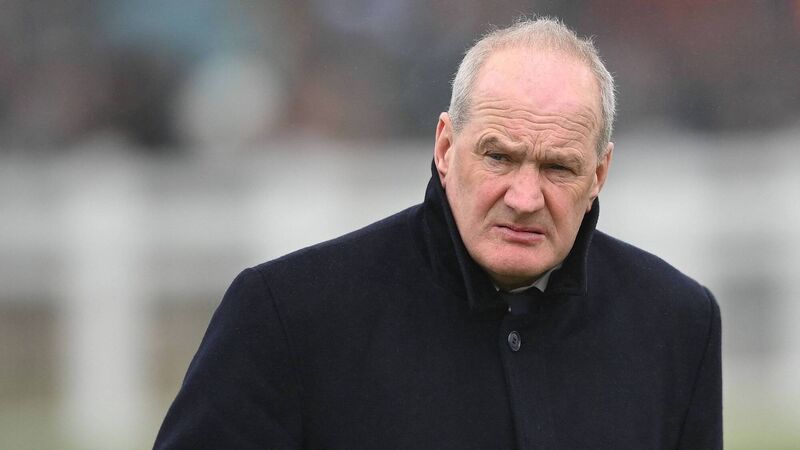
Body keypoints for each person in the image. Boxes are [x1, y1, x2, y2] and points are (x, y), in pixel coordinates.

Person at [154, 18, 721, 449]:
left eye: (558, 168)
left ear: (598, 175)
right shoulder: (285, 314)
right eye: (499, 157)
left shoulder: (679, 325)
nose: (525, 198)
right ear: (446, 148)